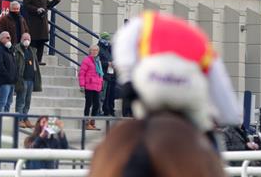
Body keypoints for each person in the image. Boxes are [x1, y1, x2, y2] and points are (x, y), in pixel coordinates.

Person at [111, 10, 242, 137]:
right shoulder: (203, 41)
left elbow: (123, 47)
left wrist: (127, 81)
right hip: (188, 86)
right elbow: (224, 97)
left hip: (152, 80)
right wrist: (228, 117)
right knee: (205, 131)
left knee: (140, 124)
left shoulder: (144, 21)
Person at [22, 0, 60, 66]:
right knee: (33, 42)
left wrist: (56, 1)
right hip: (33, 23)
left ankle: (38, 60)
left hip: (42, 24)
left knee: (41, 43)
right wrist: (36, 9)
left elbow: (48, 5)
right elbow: (27, 6)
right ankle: (32, 60)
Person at [15, 33, 41, 125]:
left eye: (28, 39)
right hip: (22, 79)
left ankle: (25, 118)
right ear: (21, 39)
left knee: (27, 101)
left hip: (31, 79)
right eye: (25, 38)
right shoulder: (17, 49)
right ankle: (19, 119)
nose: (26, 40)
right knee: (21, 100)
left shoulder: (32, 50)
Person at [78, 43, 105, 130]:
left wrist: (101, 83)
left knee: (97, 105)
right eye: (93, 50)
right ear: (90, 51)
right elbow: (81, 73)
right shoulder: (87, 60)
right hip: (89, 86)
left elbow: (100, 74)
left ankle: (92, 122)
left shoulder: (98, 61)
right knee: (88, 104)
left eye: (96, 50)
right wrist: (82, 85)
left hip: (97, 86)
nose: (95, 52)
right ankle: (86, 123)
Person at [0, 31, 19, 113]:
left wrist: (15, 78)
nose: (9, 39)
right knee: (2, 102)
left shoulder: (10, 50)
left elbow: (14, 65)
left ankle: (5, 120)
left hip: (11, 82)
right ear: (1, 39)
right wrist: (8, 77)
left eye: (10, 37)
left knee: (9, 103)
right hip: (4, 81)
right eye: (7, 37)